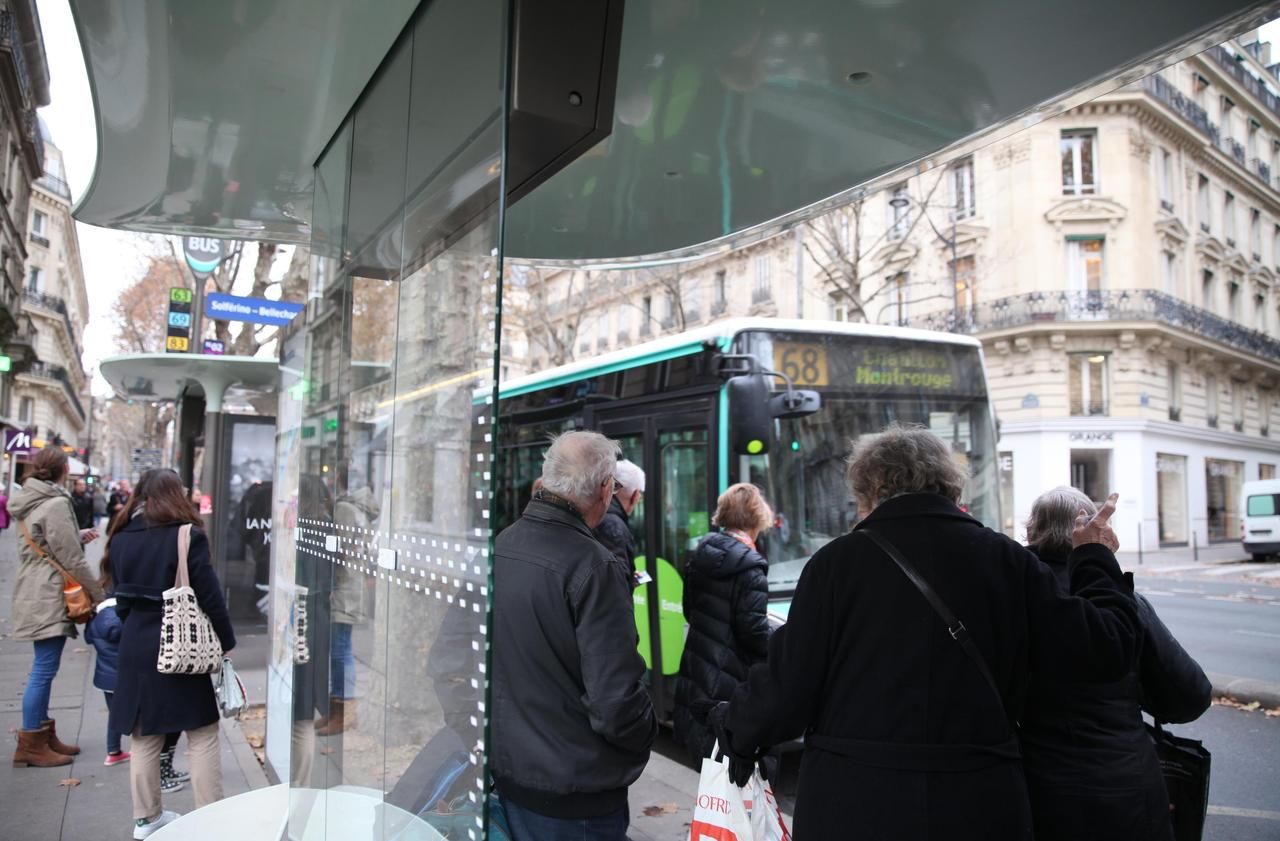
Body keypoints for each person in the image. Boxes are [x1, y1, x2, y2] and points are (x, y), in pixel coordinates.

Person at [707, 425, 1140, 840]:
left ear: (871, 490)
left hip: (856, 805)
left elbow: (787, 687)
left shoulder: (836, 565)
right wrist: (1096, 557)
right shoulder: (1007, 561)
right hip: (979, 803)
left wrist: (736, 729)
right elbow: (1106, 648)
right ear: (949, 485)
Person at [1020, 487, 1211, 841]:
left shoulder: (1008, 597)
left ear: (1030, 532)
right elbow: (1190, 695)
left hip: (1029, 791)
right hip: (1122, 790)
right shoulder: (1122, 603)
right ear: (1101, 534)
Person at [492, 431, 656, 841]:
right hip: (577, 798)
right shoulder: (596, 567)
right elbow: (617, 703)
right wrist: (644, 735)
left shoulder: (502, 545)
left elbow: (452, 662)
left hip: (512, 778)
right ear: (605, 489)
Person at [106, 469, 235, 839]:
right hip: (180, 644)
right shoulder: (186, 535)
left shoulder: (121, 536)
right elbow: (209, 595)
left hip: (136, 643)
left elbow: (119, 594)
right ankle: (212, 818)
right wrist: (225, 641)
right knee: (203, 731)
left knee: (145, 733)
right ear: (176, 494)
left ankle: (146, 820)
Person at [10, 446, 105, 767]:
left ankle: (43, 735)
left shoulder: (31, 499)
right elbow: (72, 559)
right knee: (44, 668)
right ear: (63, 469)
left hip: (33, 588)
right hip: (49, 592)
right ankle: (32, 743)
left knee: (44, 667)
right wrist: (99, 595)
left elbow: (46, 540)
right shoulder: (55, 503)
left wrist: (75, 534)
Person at [673, 483, 773, 765]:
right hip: (732, 682)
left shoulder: (703, 553)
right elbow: (753, 633)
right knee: (734, 776)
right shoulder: (751, 568)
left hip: (699, 673)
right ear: (757, 518)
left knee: (709, 771)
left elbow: (690, 611)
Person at [316, 468, 377, 736]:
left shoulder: (343, 508)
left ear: (338, 481)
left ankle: (341, 712)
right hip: (353, 584)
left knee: (340, 650)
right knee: (342, 648)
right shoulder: (360, 508)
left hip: (343, 586)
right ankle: (337, 710)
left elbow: (338, 551)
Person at [85, 592, 130, 766]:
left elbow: (89, 638)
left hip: (105, 678)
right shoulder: (120, 617)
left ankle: (113, 750)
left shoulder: (95, 619)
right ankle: (143, 746)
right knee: (137, 712)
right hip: (124, 676)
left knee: (114, 714)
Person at [592, 458, 644, 583]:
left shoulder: (594, 512)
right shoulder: (614, 526)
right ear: (636, 495)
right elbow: (615, 584)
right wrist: (629, 580)